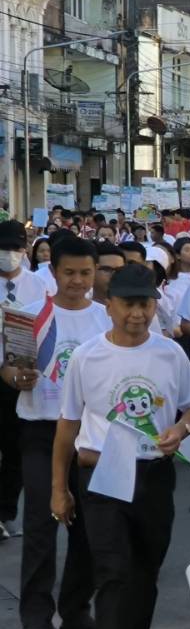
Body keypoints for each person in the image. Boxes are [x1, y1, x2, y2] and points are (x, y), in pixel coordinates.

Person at [53, 262, 190, 629]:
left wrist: (180, 430)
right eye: (129, 305)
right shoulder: (88, 356)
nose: (138, 314)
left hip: (154, 475)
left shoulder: (170, 354)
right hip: (103, 475)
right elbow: (68, 424)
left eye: (146, 304)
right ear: (110, 306)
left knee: (146, 569)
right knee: (114, 570)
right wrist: (59, 488)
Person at [11, 237, 104, 629]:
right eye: (69, 273)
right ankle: (35, 617)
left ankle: (76, 609)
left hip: (89, 434)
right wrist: (17, 378)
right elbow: (9, 369)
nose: (77, 281)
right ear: (53, 272)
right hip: (40, 429)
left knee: (88, 526)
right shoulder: (29, 316)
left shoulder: (106, 318)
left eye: (86, 273)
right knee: (40, 523)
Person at [0, 219, 49, 539]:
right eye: (4, 249)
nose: (10, 255)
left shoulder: (39, 285)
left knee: (16, 447)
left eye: (16, 249)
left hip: (23, 374)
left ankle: (6, 512)